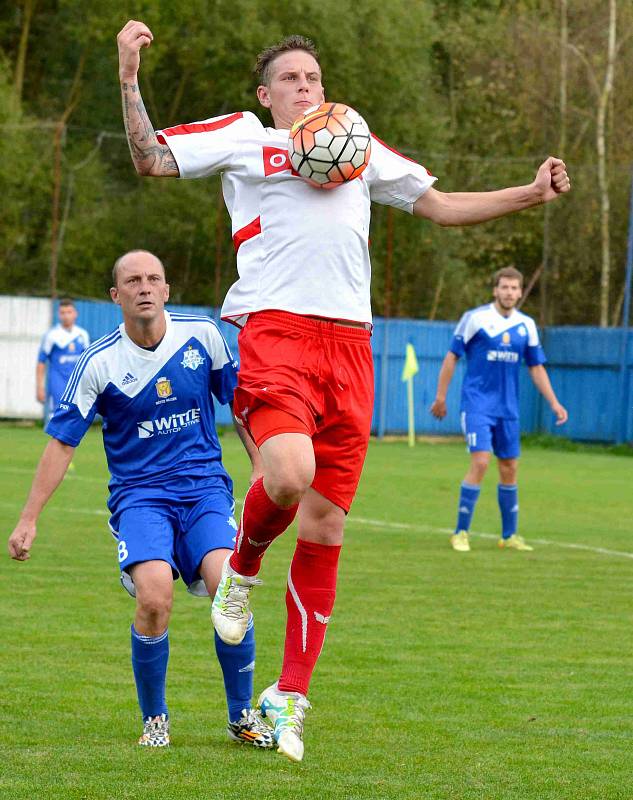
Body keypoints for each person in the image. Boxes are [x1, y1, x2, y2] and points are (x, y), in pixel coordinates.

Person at [116, 21, 572, 761]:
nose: (307, 88)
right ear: (267, 97)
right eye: (291, 79)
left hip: (350, 348)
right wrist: (130, 77)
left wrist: (529, 192)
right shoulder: (243, 136)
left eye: (315, 79)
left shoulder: (357, 146)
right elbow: (151, 159)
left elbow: (438, 203)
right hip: (276, 334)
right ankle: (243, 570)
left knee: (326, 530)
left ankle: (288, 695)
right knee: (287, 475)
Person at [8, 250, 273, 750]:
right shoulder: (99, 362)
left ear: (167, 289)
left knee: (227, 589)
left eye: (154, 278)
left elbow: (240, 404)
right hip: (140, 497)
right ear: (117, 296)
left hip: (204, 492)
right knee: (154, 597)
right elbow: (63, 441)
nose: (144, 287)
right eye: (133, 280)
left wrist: (261, 464)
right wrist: (28, 519)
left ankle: (242, 715)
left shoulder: (205, 336)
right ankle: (155, 718)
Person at [430, 266, 568, 552]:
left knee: (509, 468)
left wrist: (554, 402)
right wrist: (441, 397)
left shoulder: (526, 325)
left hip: (508, 409)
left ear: (519, 292)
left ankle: (509, 536)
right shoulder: (475, 319)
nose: (509, 292)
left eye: (514, 288)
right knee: (481, 462)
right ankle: (461, 532)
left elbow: (536, 367)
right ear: (495, 290)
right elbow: (451, 357)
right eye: (504, 287)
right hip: (477, 404)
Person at [37, 299, 90, 426]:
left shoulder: (82, 335)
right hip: (57, 384)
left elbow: (89, 362)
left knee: (74, 422)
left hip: (76, 386)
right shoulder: (52, 336)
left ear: (75, 314)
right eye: (62, 313)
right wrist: (39, 387)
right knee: (56, 420)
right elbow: (41, 362)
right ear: (58, 315)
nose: (66, 316)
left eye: (69, 312)